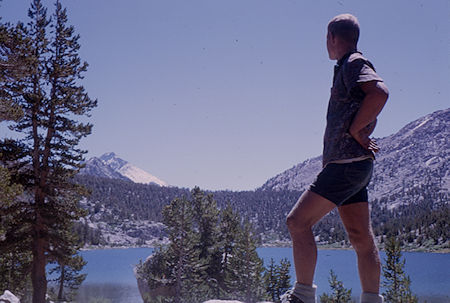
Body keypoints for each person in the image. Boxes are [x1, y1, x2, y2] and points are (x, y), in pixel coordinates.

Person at [281, 14, 389, 303]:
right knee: (360, 237)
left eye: (325, 39)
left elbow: (379, 93)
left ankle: (302, 296)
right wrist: (360, 129)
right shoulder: (348, 64)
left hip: (345, 164)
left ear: (332, 37)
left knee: (297, 222)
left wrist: (356, 129)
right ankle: (371, 299)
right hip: (357, 166)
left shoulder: (353, 62)